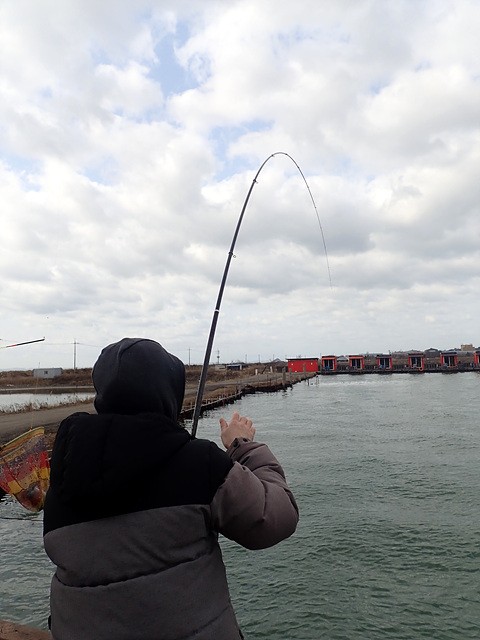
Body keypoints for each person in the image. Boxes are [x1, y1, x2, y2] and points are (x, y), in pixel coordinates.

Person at [43, 337, 299, 640]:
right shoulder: (197, 462)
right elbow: (276, 517)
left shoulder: (64, 475)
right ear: (168, 391)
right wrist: (241, 445)